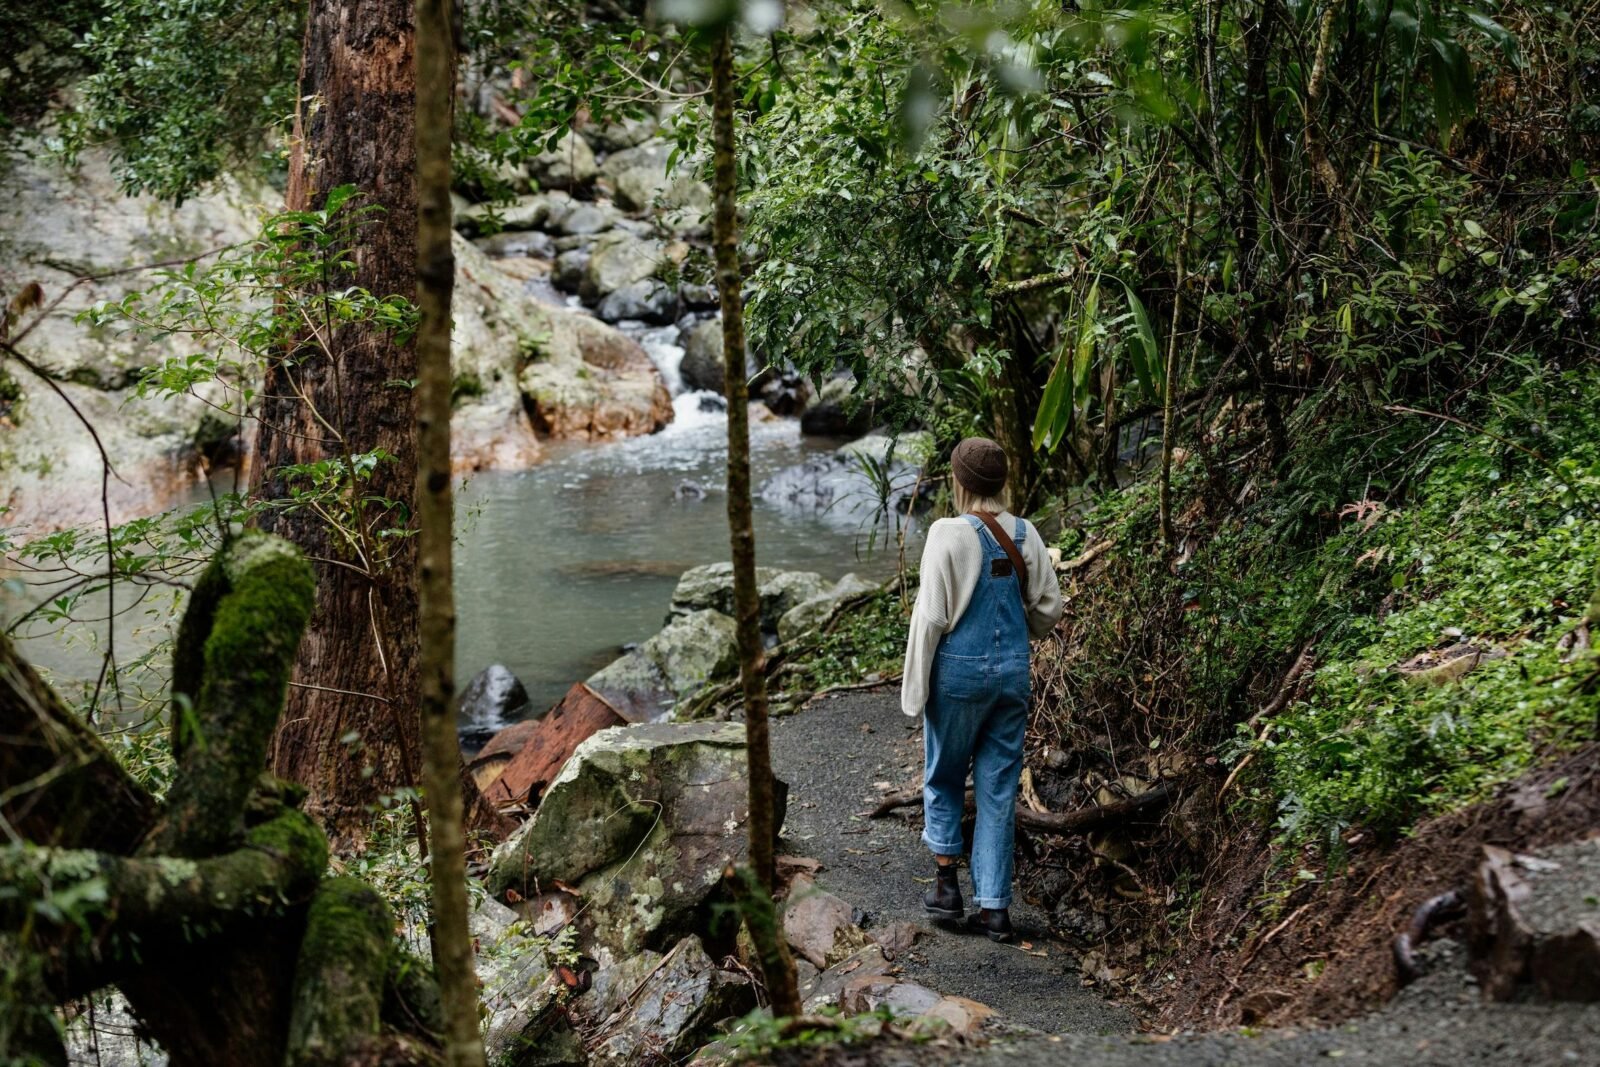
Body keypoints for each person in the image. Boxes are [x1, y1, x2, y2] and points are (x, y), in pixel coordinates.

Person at [901, 437, 1064, 942]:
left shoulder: (946, 533)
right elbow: (1048, 607)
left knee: (945, 773)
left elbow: (930, 617)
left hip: (959, 673)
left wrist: (914, 688)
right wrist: (1023, 635)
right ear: (1001, 482)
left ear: (960, 481)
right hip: (1013, 673)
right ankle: (995, 908)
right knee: (998, 787)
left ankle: (947, 887)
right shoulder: (1026, 532)